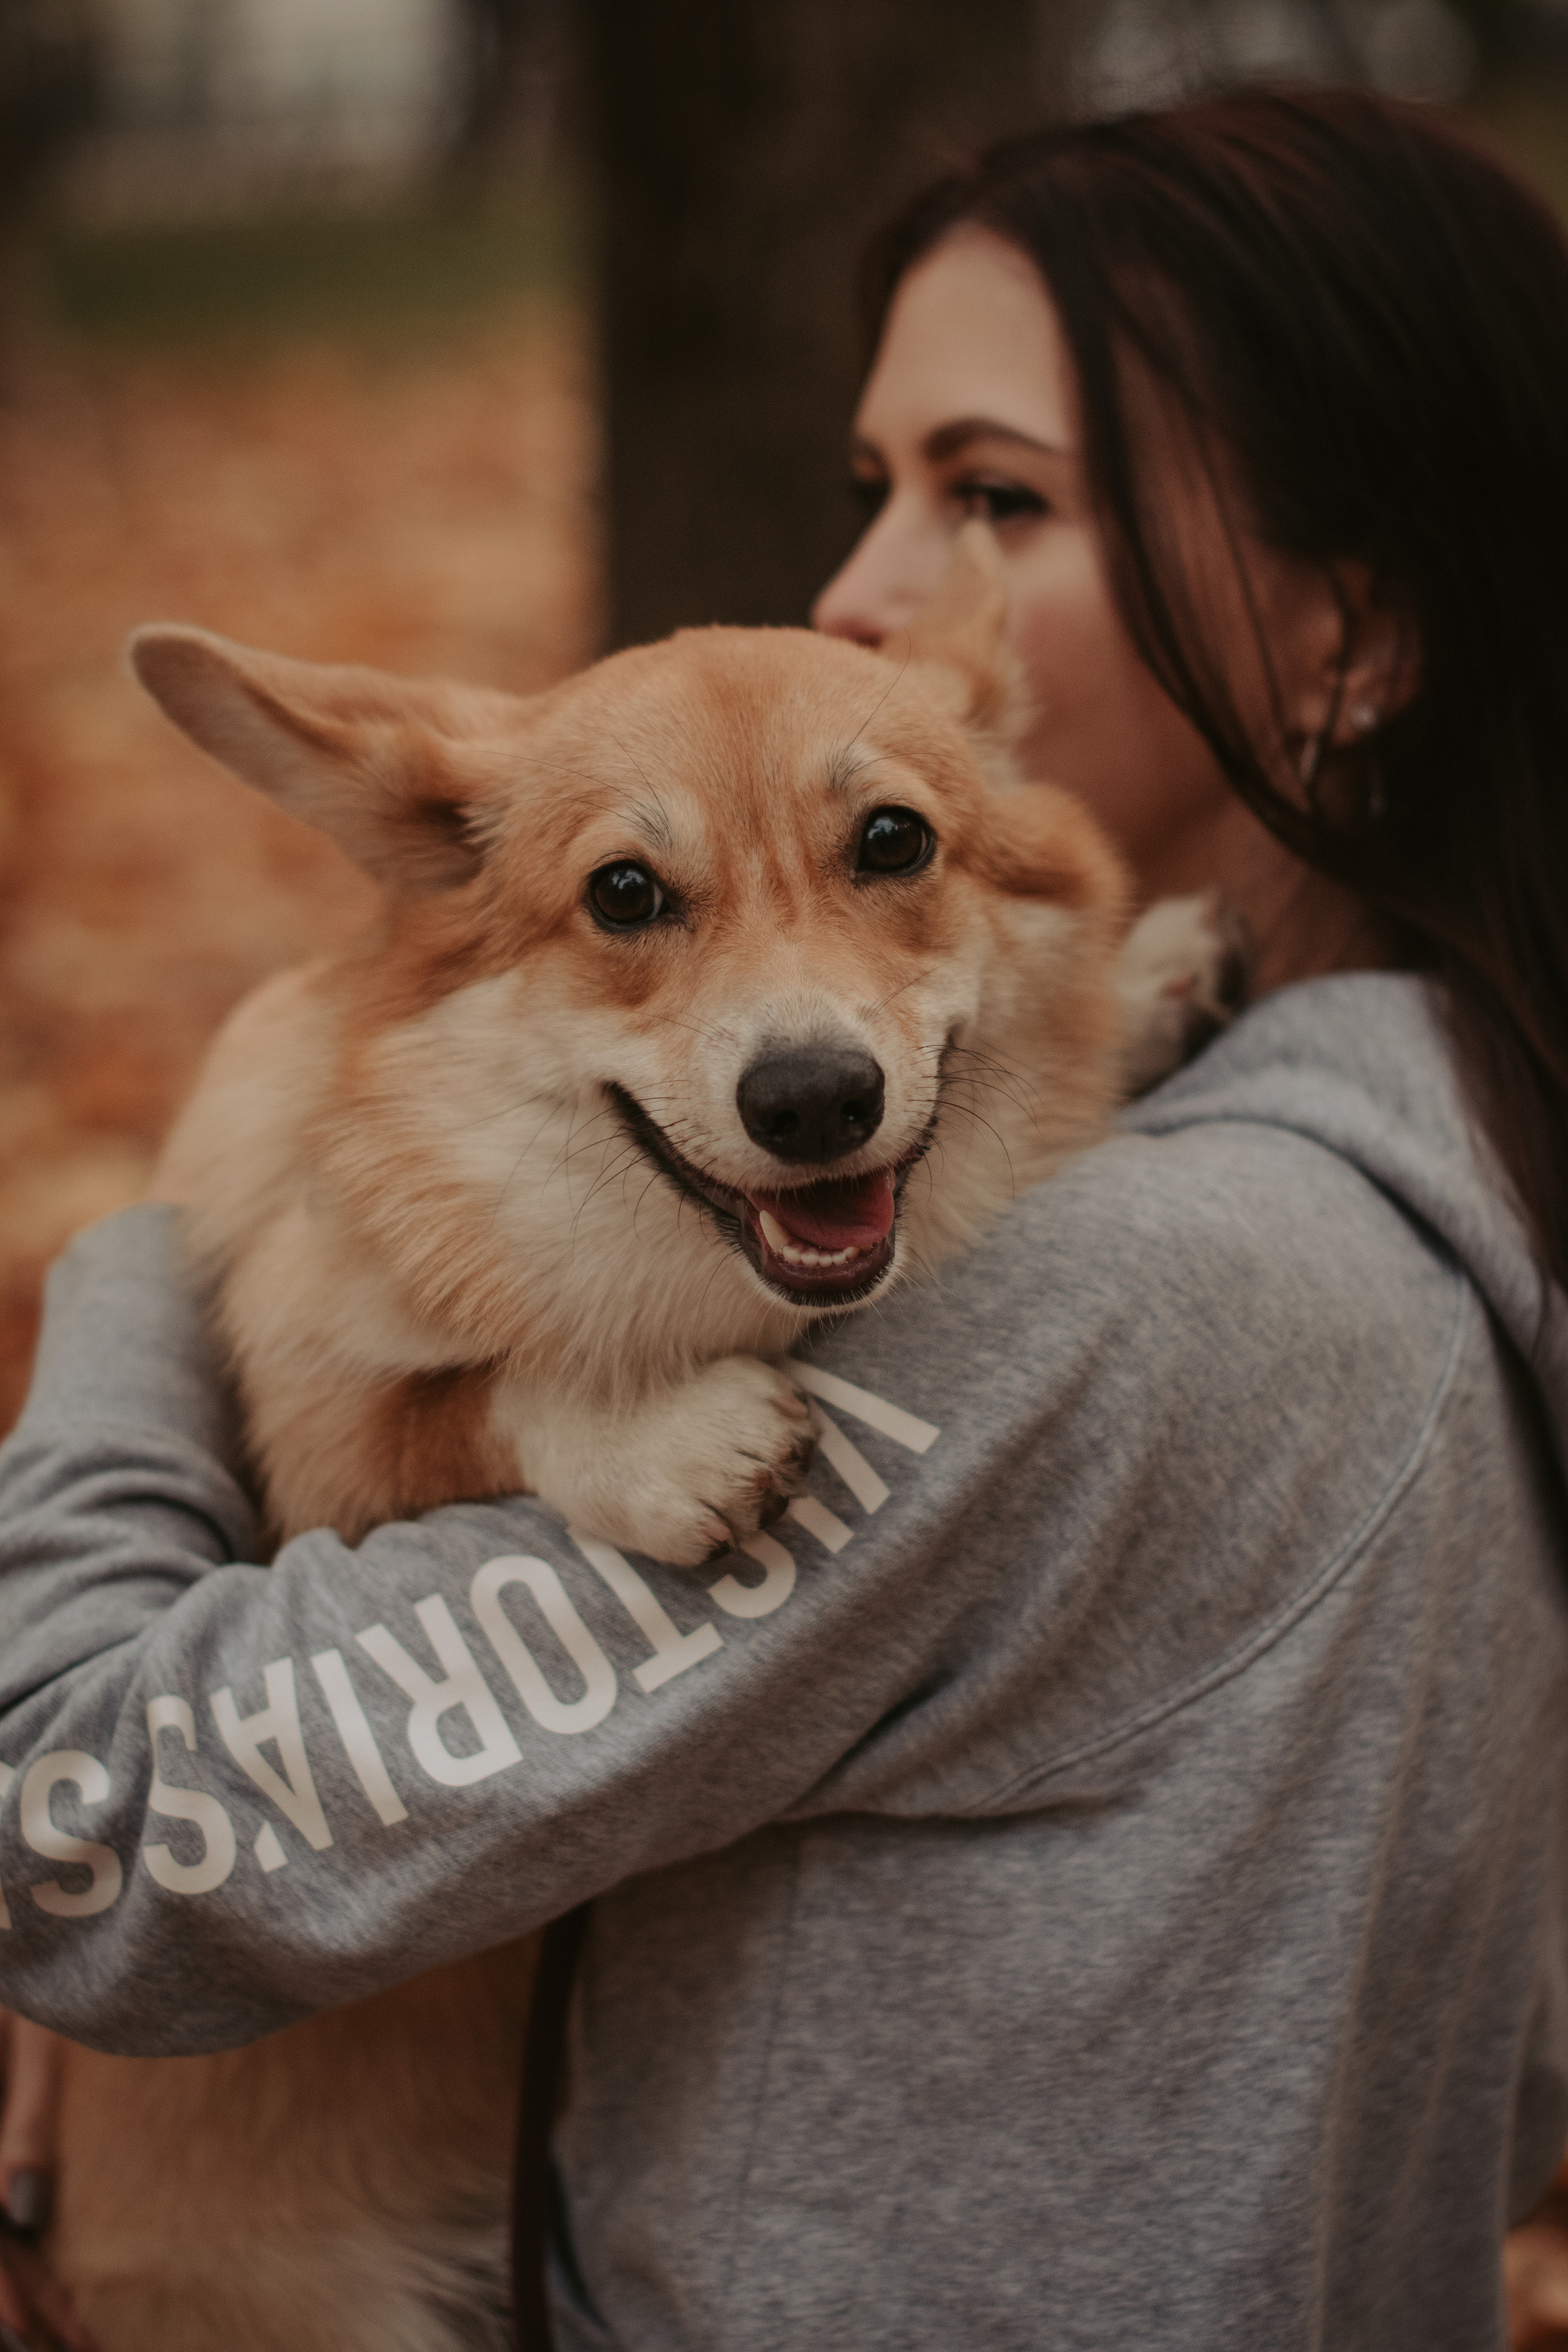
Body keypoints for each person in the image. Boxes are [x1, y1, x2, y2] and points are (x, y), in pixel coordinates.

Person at [2, 83, 1568, 2351]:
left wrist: (148, 1260)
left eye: (994, 497)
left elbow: (86, 1826)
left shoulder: (1125, 1308)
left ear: (1357, 635)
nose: (863, 593)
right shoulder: (1460, 1170)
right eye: (879, 493)